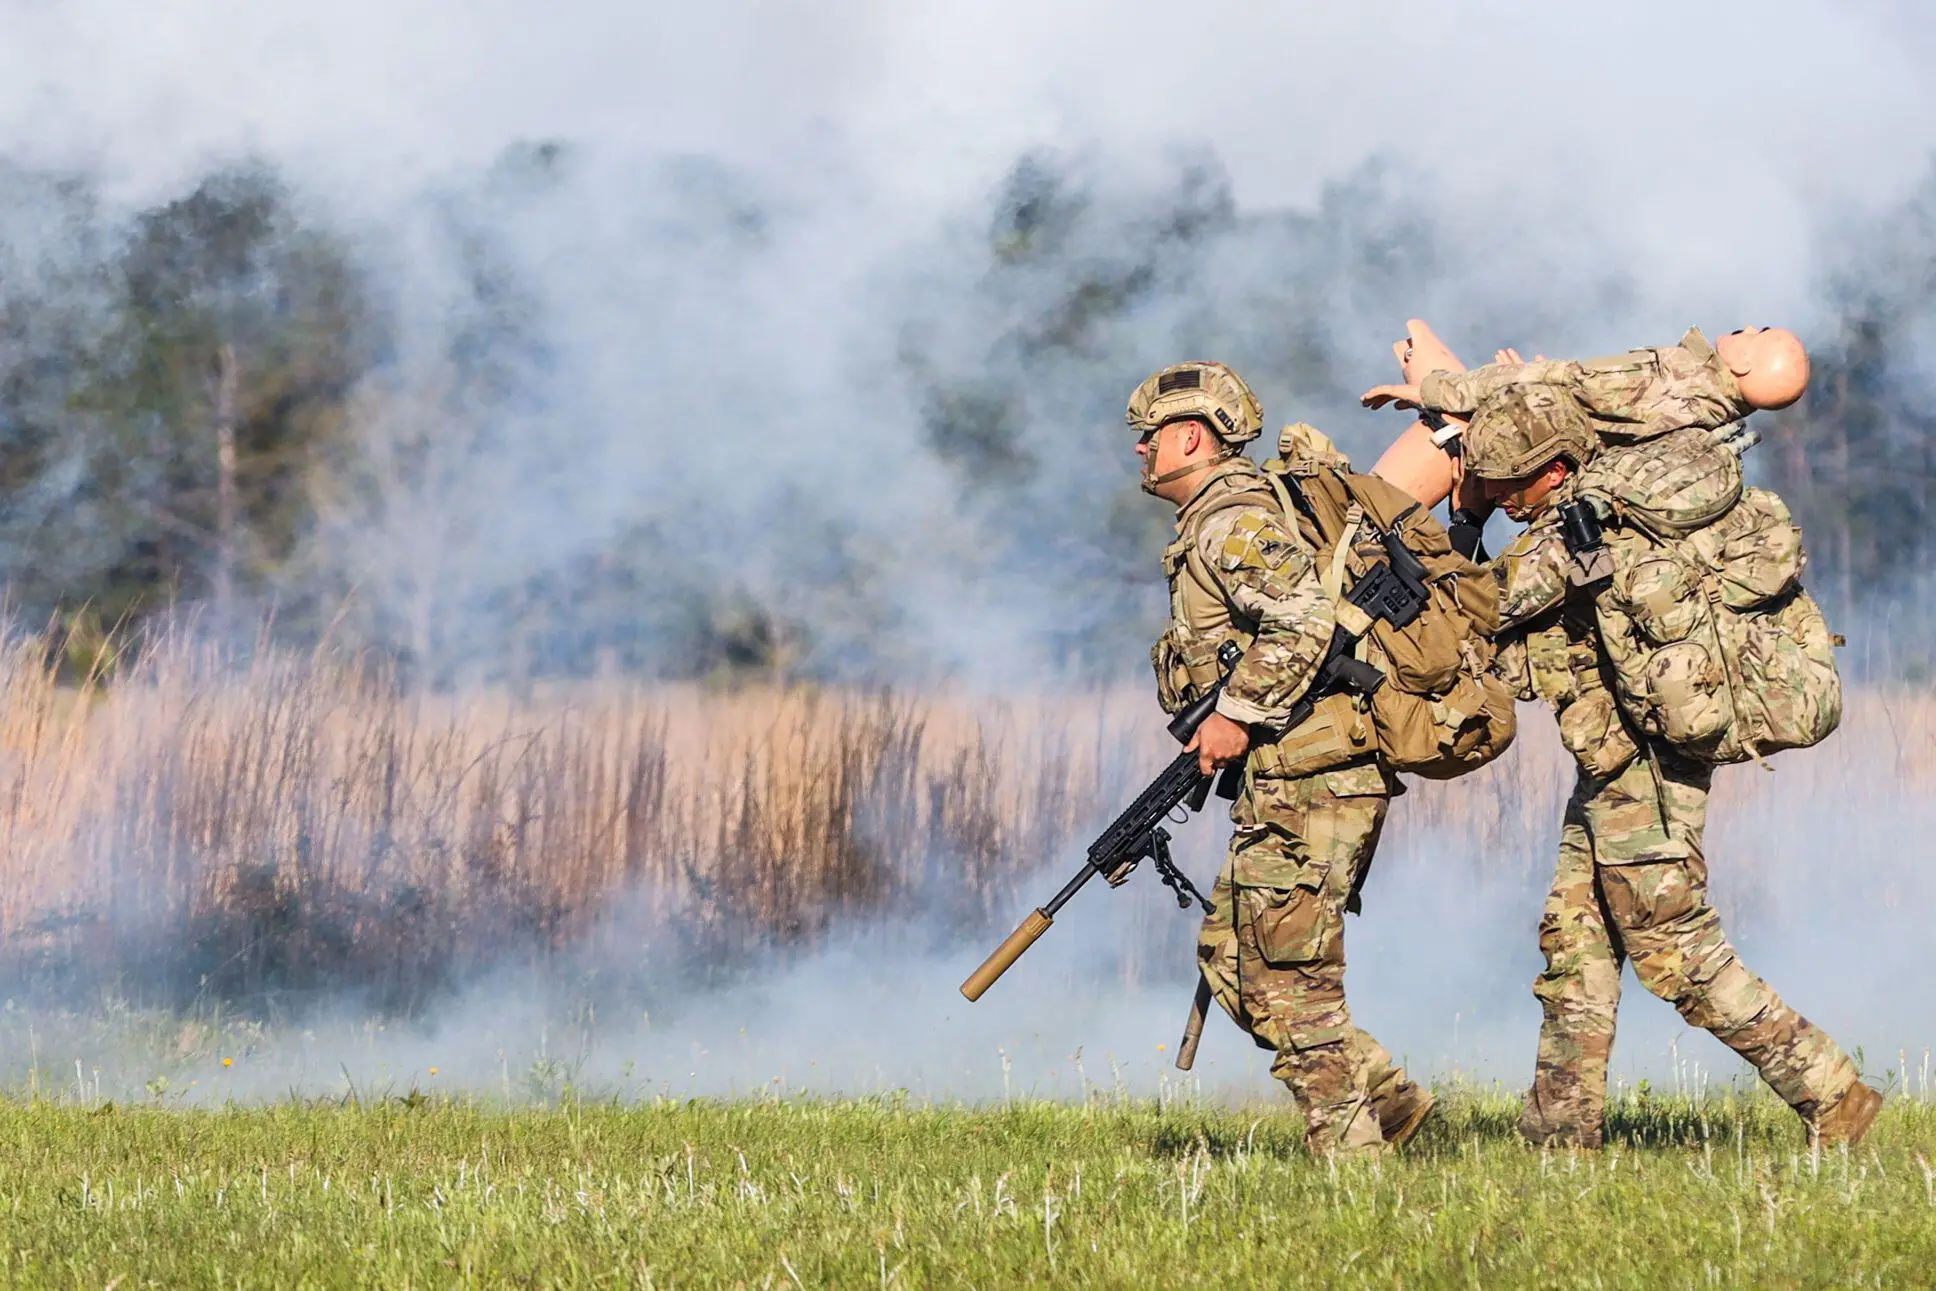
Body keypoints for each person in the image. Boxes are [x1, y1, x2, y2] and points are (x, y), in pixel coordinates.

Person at [1453, 382, 1881, 1150]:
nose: (1499, 494)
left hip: (1642, 767)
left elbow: (1474, 607)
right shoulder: (1603, 496)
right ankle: (1560, 1135)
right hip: (1618, 760)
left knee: (1675, 949)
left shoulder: (1577, 530)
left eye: (1508, 481)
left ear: (1552, 470)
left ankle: (1829, 1090)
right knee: (1574, 935)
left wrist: (1464, 519)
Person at [1127, 360, 1433, 1157]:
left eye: (1149, 438)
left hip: (1319, 773)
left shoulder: (1232, 518)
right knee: (1231, 956)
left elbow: (1301, 622)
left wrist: (1233, 712)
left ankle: (1352, 1160)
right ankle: (1391, 1103)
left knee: (1290, 973)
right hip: (1292, 771)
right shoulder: (1214, 519)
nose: (1141, 452)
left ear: (1190, 436)